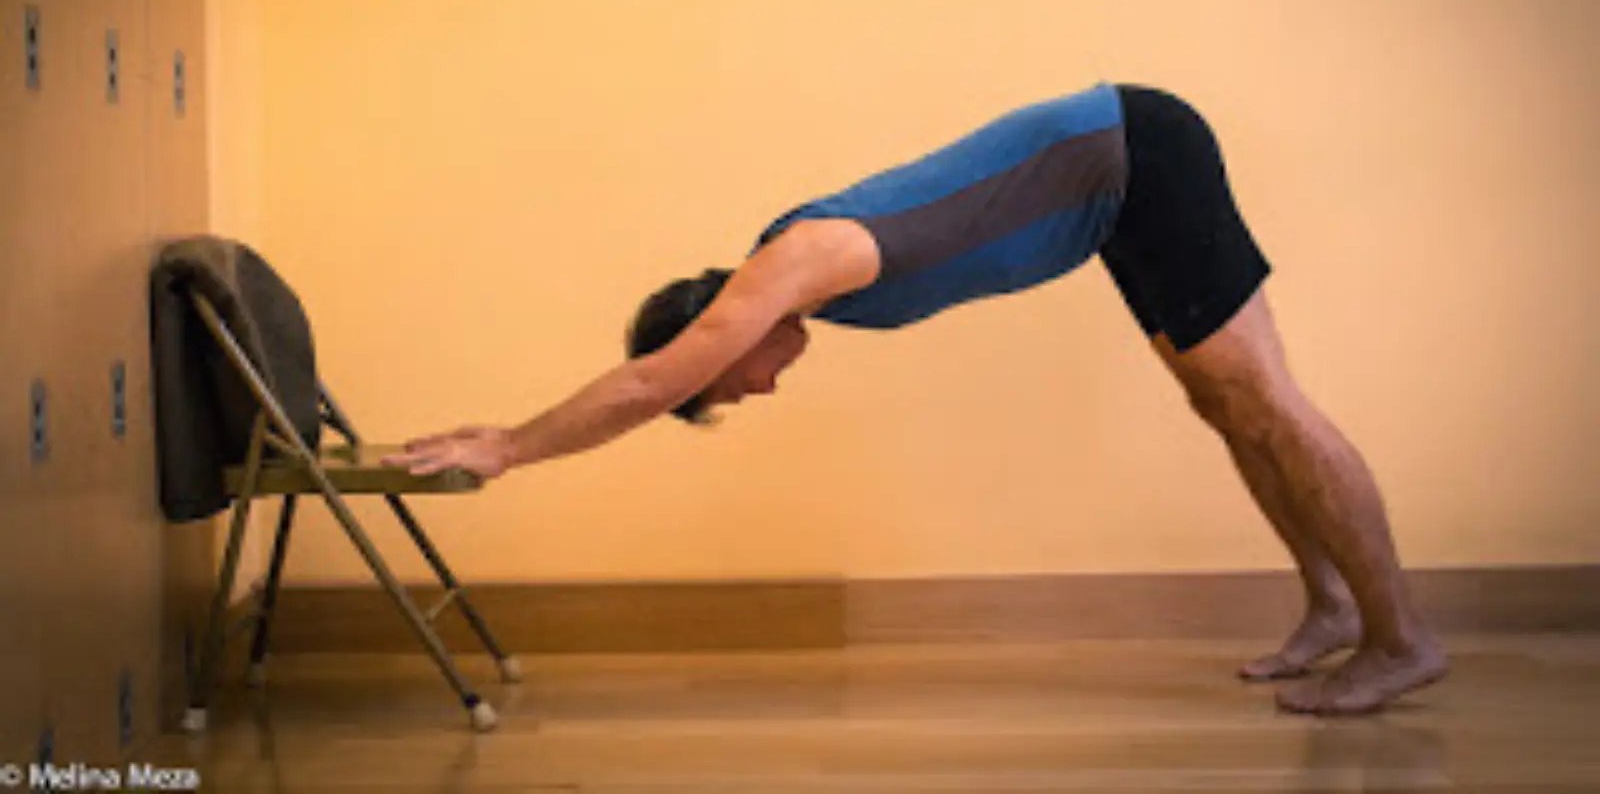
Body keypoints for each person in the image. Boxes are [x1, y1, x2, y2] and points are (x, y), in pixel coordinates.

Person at [383, 81, 1448, 716]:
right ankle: (1334, 606)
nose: (755, 392)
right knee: (1226, 407)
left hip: (1135, 155)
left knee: (1262, 401)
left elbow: (652, 377)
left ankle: (1399, 642)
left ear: (719, 340)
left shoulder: (798, 261)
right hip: (1114, 198)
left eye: (731, 390)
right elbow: (679, 369)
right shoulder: (810, 275)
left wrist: (511, 446)